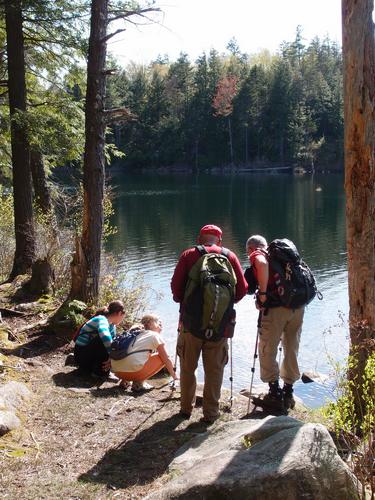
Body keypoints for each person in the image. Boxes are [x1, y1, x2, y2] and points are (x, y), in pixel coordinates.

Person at [171, 224, 248, 423]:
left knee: (188, 368)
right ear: (219, 240)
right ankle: (211, 413)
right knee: (215, 370)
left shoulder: (189, 255)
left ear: (200, 238)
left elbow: (176, 288)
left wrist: (186, 301)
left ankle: (185, 409)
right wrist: (221, 307)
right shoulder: (230, 257)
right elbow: (242, 290)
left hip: (191, 325)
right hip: (220, 327)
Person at [246, 235, 305, 411]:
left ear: (251, 248)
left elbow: (262, 264)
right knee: (291, 347)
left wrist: (262, 294)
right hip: (298, 307)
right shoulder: (284, 255)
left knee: (267, 349)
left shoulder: (258, 254)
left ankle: (275, 394)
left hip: (277, 309)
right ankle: (288, 392)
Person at [111, 313, 178, 392]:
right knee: (162, 357)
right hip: (131, 372)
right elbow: (166, 358)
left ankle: (125, 381)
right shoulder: (154, 335)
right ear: (152, 323)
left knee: (139, 355)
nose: (161, 326)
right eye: (159, 323)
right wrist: (175, 377)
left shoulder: (136, 332)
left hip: (118, 372)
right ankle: (138, 383)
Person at [74, 300, 125, 380]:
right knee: (103, 340)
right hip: (81, 355)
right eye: (123, 316)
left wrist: (112, 357)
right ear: (119, 313)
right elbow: (104, 335)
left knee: (113, 343)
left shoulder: (112, 326)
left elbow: (113, 344)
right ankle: (99, 373)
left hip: (89, 357)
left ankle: (102, 370)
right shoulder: (101, 319)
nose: (122, 319)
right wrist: (112, 355)